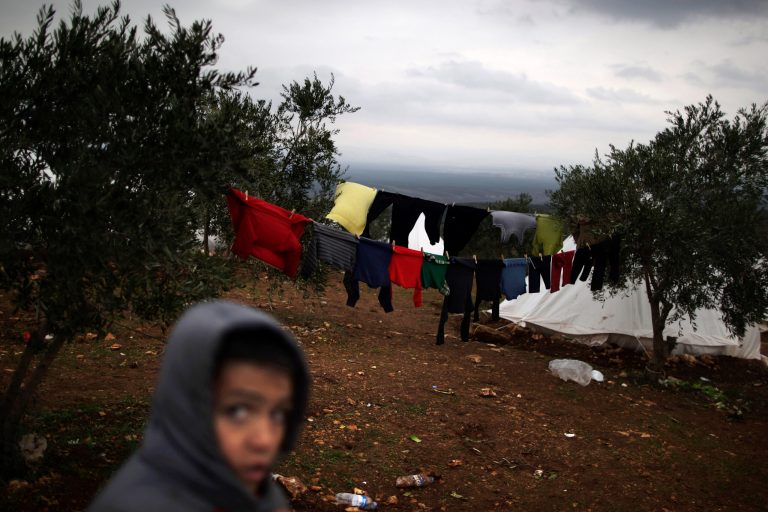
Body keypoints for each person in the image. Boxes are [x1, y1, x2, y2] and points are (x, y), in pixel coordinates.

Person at [89, 301, 310, 512]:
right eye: (238, 411)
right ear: (186, 407)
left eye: (279, 414)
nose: (264, 440)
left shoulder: (255, 492)